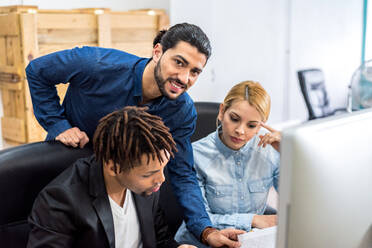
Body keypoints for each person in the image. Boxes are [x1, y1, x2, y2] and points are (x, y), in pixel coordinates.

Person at [26, 23, 243, 247]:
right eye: (179, 62)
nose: (184, 77)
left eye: (195, 72)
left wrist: (205, 231)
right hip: (75, 177)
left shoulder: (181, 111)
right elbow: (37, 71)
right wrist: (57, 123)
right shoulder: (97, 64)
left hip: (127, 184)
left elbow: (182, 172)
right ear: (157, 52)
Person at [28, 106, 194, 247]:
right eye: (148, 174)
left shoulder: (148, 185)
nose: (161, 179)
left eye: (162, 168)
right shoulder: (60, 201)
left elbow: (160, 240)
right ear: (113, 167)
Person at [175, 81, 281, 247]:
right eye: (234, 119)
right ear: (222, 111)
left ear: (262, 124)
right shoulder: (195, 154)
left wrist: (288, 154)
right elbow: (198, 218)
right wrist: (253, 220)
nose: (240, 130)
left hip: (250, 242)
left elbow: (297, 203)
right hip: (200, 243)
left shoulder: (270, 151)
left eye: (251, 125)